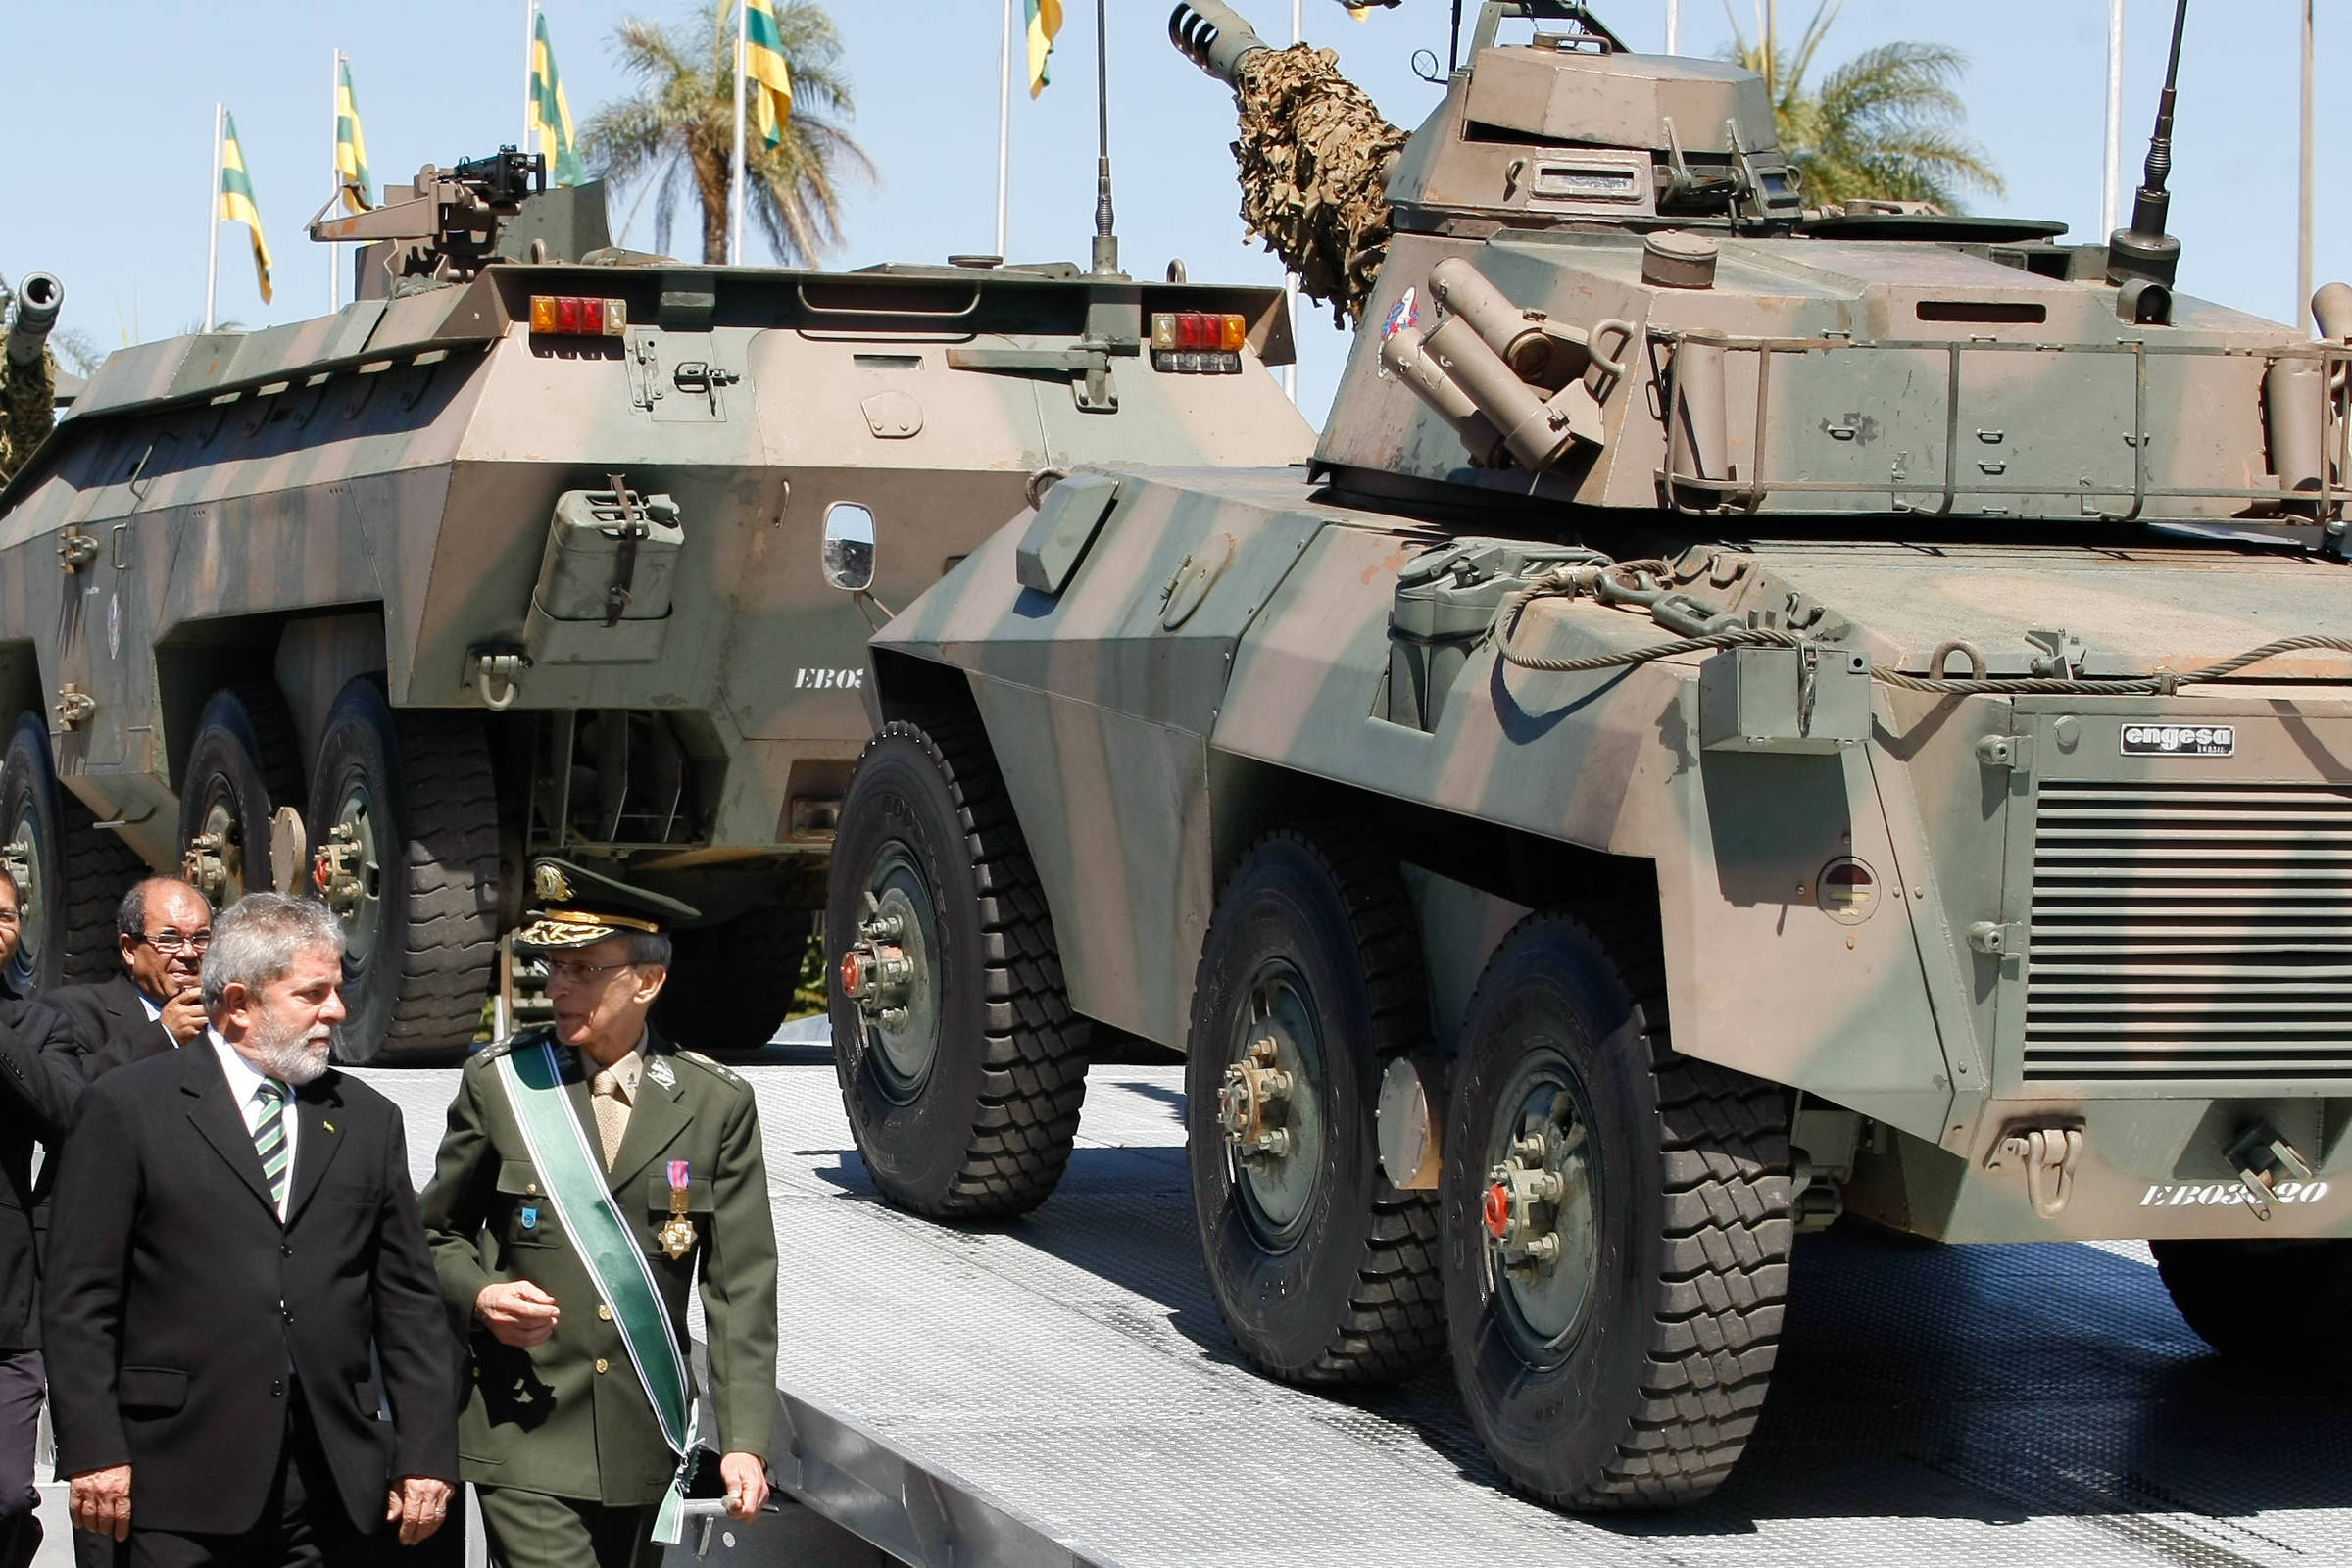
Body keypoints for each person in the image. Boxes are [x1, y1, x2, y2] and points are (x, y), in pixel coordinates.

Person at [42, 892, 458, 1567]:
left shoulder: (365, 1119)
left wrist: (426, 1454)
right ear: (237, 1005)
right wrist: (94, 1449)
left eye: (339, 989)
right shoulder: (128, 1107)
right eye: (313, 994)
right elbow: (79, 1299)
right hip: (170, 1480)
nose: (337, 1011)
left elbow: (408, 1303)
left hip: (329, 1478)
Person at [419, 859, 778, 1568]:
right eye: (553, 965)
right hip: (524, 1429)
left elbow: (739, 1290)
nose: (556, 986)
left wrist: (743, 1441)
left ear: (646, 981)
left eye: (583, 968)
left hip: (645, 1432)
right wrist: (483, 1294)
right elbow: (433, 1234)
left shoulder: (714, 1104)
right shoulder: (504, 1084)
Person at [0, 869, 85, 1568]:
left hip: (4, 1305)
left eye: (2, 916)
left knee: (4, 1495)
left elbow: (66, 1115)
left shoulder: (36, 1024)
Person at [47, 878, 213, 1080]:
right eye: (169, 939)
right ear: (129, 949)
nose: (188, 952)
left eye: (201, 939)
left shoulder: (231, 1016)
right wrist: (164, 1035)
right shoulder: (73, 1011)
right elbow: (72, 1090)